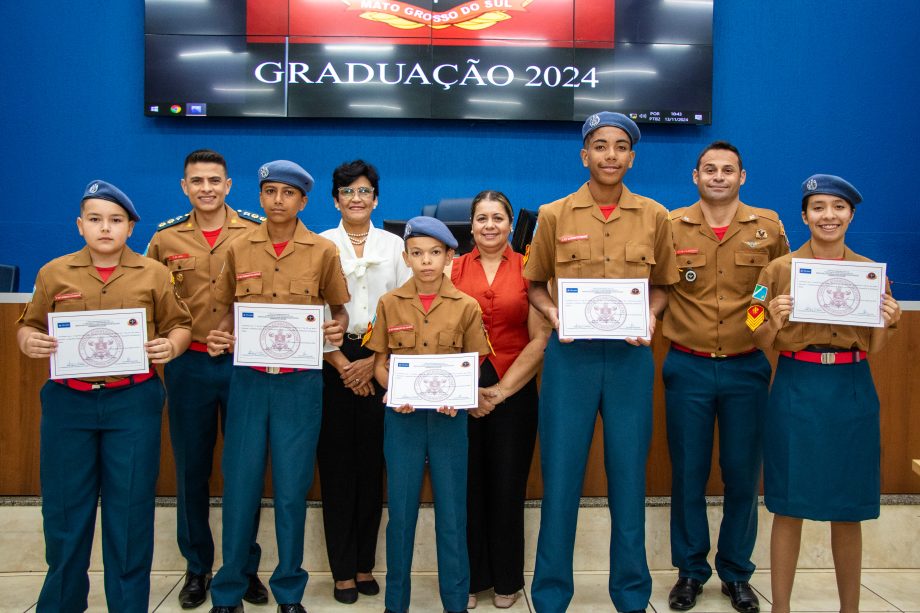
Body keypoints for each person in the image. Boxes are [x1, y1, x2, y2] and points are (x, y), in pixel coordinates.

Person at [523, 111, 679, 613]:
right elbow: (534, 285)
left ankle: (632, 597)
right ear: (584, 155)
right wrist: (554, 315)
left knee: (629, 480)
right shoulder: (554, 214)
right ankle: (550, 597)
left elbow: (663, 287)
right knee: (561, 482)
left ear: (631, 157)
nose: (610, 155)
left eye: (619, 146)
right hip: (571, 361)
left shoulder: (656, 216)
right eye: (599, 145)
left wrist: (650, 316)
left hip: (631, 359)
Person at [17, 180, 192, 612]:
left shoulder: (153, 273)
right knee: (63, 512)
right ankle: (61, 602)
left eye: (115, 221)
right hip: (68, 403)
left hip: (132, 401)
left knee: (130, 512)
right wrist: (27, 341)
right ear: (80, 226)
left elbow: (179, 325)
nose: (105, 229)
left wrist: (171, 346)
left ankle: (128, 605)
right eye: (95, 220)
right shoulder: (53, 272)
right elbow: (30, 324)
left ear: (131, 227)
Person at [751, 174, 900, 613]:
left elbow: (876, 345)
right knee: (788, 502)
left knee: (848, 504)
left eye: (838, 208)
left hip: (852, 389)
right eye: (818, 208)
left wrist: (888, 320)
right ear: (804, 216)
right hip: (797, 385)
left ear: (851, 215)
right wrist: (773, 321)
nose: (828, 216)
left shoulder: (873, 273)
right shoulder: (776, 270)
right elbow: (753, 329)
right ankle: (781, 607)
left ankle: (849, 608)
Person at [205, 161, 350, 613]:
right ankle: (228, 590)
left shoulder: (322, 251)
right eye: (269, 191)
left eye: (288, 193)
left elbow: (339, 311)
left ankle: (289, 590)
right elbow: (227, 310)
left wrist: (336, 330)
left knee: (291, 490)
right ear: (261, 197)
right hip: (248, 381)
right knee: (241, 488)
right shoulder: (238, 247)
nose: (278, 200)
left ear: (303, 201)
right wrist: (219, 335)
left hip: (300, 385)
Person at [661, 141, 788, 613]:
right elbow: (657, 287)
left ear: (742, 177)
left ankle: (736, 572)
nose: (718, 176)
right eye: (709, 169)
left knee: (741, 475)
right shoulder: (671, 226)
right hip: (687, 365)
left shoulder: (768, 228)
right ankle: (691, 572)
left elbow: (769, 288)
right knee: (688, 475)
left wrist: (755, 329)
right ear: (695, 176)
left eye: (728, 170)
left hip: (745, 366)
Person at [145, 149, 268, 609]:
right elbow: (152, 304)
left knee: (246, 469)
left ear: (229, 185)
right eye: (196, 181)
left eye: (214, 180)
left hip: (244, 365)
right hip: (189, 367)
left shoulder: (256, 230)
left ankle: (243, 566)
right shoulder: (164, 239)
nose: (206, 189)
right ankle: (198, 567)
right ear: (184, 186)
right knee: (192, 469)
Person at [364, 216, 492, 613]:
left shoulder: (466, 306)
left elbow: (475, 364)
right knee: (400, 513)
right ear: (405, 258)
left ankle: (455, 601)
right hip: (401, 419)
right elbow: (380, 363)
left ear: (449, 256)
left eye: (435, 253)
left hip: (448, 421)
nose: (426, 262)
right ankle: (395, 603)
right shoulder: (389, 303)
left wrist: (462, 394)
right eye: (417, 253)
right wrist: (392, 388)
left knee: (452, 513)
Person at [316, 160, 410, 604]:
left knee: (373, 468)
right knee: (336, 468)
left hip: (381, 360)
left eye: (365, 190)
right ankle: (341, 570)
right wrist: (340, 364)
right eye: (347, 191)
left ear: (376, 198)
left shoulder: (396, 246)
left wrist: (374, 360)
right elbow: (307, 312)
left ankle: (364, 564)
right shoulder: (317, 244)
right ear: (335, 199)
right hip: (331, 360)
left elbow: (408, 309)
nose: (357, 198)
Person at [450, 190, 548, 610]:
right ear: (470, 226)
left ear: (511, 224)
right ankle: (470, 578)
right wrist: (469, 391)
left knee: (508, 487)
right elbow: (441, 335)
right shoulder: (450, 269)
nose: (490, 225)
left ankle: (508, 577)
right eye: (481, 218)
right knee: (465, 488)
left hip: (515, 389)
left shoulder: (531, 268)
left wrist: (502, 391)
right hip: (460, 391)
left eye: (498, 218)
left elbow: (541, 337)